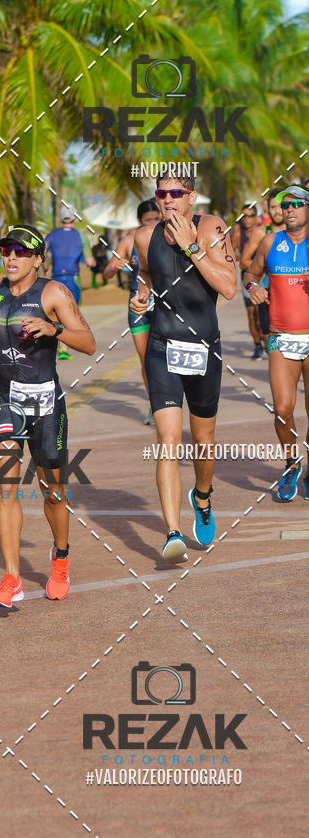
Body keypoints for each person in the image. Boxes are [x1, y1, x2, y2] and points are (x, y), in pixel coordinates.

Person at [0, 225, 96, 607]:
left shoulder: (53, 292)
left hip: (46, 401)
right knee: (5, 488)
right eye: (6, 251)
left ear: (38, 259)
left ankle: (61, 557)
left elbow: (88, 342)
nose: (12, 258)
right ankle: (12, 578)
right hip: (6, 398)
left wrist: (54, 329)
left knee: (53, 491)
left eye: (21, 252)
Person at [131, 175, 237, 563]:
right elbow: (145, 277)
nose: (168, 200)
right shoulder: (145, 237)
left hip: (204, 346)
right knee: (169, 441)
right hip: (162, 346)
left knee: (203, 438)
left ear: (191, 196)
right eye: (161, 194)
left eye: (176, 193)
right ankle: (173, 532)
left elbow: (228, 286)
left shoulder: (212, 229)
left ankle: (203, 496)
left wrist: (193, 246)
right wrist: (142, 299)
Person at [243, 184, 309, 502]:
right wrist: (253, 287)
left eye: (297, 203)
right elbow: (250, 273)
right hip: (280, 337)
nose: (290, 208)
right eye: (285, 204)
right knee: (283, 409)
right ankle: (292, 463)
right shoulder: (271, 241)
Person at [105, 199, 161, 425]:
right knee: (146, 359)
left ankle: (169, 400)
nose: (153, 223)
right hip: (138, 303)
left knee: (164, 358)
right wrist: (113, 267)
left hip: (164, 303)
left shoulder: (169, 237)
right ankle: (155, 405)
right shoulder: (130, 240)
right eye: (148, 220)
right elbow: (106, 273)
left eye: (157, 219)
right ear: (140, 222)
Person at [45, 207, 95, 359]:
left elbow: (41, 254)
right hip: (73, 278)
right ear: (75, 218)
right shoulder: (81, 236)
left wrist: (45, 269)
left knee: (55, 313)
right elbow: (89, 261)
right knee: (71, 313)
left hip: (55, 277)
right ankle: (64, 348)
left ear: (61, 219)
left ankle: (58, 346)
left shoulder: (52, 235)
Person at [240, 188, 285, 342]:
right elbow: (244, 261)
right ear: (267, 209)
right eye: (273, 207)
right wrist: (265, 266)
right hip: (267, 292)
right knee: (268, 337)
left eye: (280, 206)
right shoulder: (261, 232)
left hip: (291, 293)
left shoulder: (298, 232)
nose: (277, 211)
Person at [233, 202, 265, 358]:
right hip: (248, 277)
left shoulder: (263, 231)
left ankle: (267, 341)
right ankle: (257, 345)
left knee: (263, 313)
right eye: (244, 216)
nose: (247, 219)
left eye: (251, 215)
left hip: (264, 277)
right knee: (252, 314)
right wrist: (238, 257)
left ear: (256, 217)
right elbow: (231, 253)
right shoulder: (238, 234)